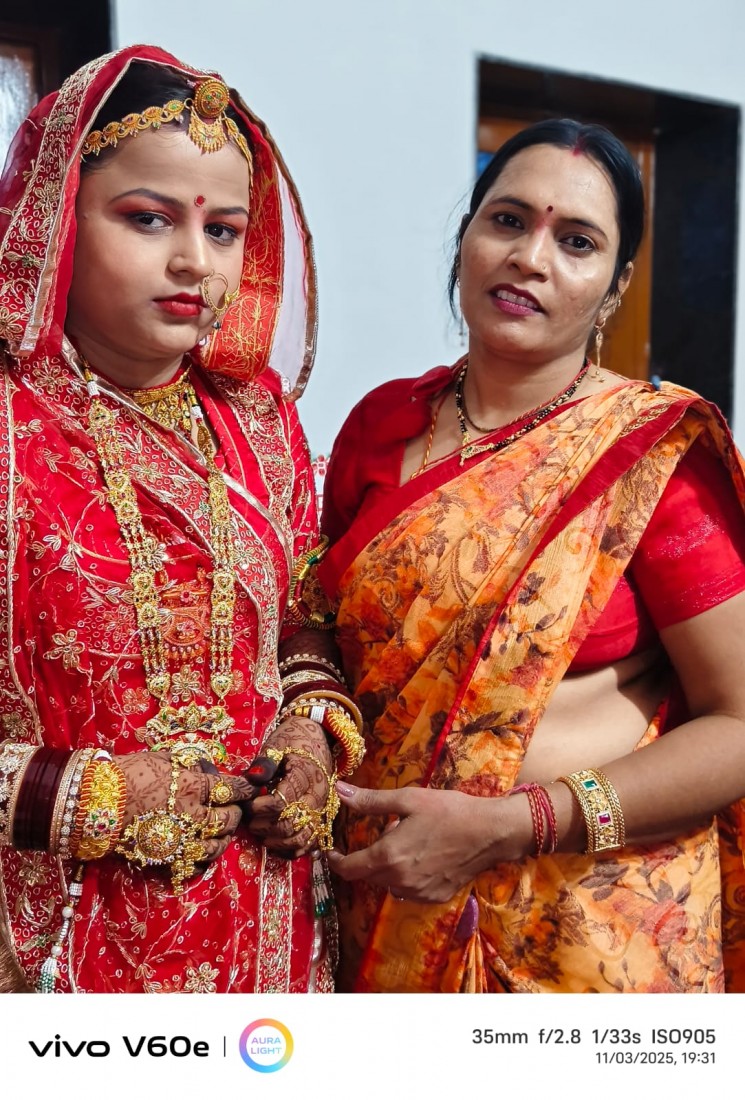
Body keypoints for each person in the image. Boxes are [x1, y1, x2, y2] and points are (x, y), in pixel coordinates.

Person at [321, 119, 745, 993]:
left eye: (576, 241)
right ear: (466, 237)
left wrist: (514, 824)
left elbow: (737, 726)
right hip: (384, 906)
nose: (529, 257)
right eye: (508, 220)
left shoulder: (651, 457)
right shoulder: (378, 426)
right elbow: (318, 635)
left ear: (615, 285)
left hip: (586, 933)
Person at [0, 44, 363, 993]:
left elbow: (301, 622)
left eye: (225, 229)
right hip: (59, 935)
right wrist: (95, 794)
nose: (195, 261)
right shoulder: (9, 425)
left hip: (264, 922)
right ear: (57, 216)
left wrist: (310, 736)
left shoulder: (260, 422)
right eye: (148, 218)